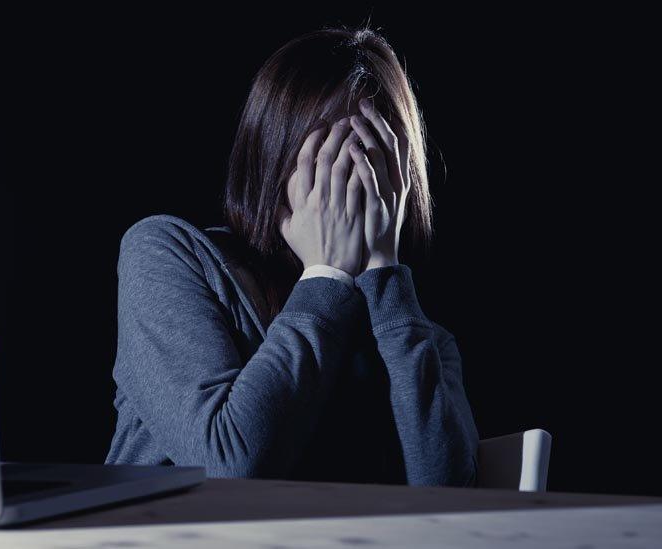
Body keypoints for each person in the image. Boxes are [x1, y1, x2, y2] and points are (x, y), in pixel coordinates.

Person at [103, 24, 479, 486]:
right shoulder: (168, 255)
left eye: (372, 156)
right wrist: (325, 275)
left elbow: (449, 500)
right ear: (275, 149)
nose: (350, 179)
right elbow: (229, 465)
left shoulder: (415, 333)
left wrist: (385, 272)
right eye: (329, 154)